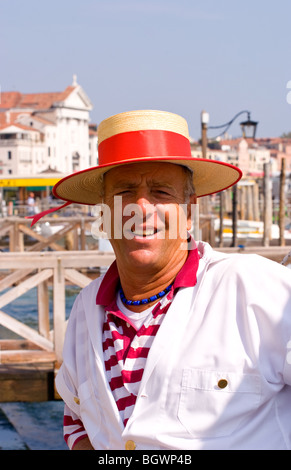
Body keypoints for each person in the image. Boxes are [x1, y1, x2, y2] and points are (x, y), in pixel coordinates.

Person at [33, 110, 291, 450]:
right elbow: (77, 418)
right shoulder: (85, 307)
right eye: (125, 191)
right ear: (104, 214)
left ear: (188, 212)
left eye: (161, 193)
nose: (141, 207)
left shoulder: (251, 286)